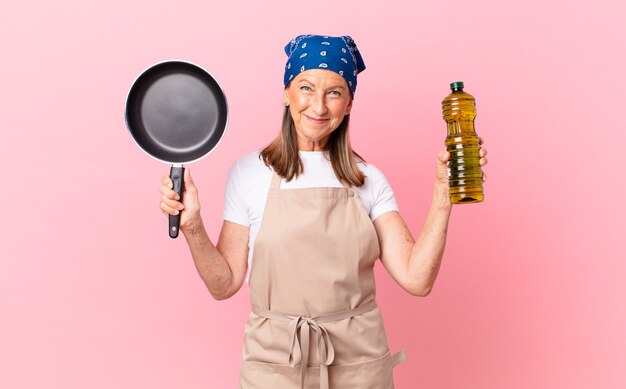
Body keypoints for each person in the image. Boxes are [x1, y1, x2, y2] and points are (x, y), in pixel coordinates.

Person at [159, 34, 488, 389]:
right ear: (286, 93)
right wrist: (192, 227)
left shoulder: (368, 179)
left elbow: (417, 278)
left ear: (349, 104)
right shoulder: (249, 173)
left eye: (334, 92)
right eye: (306, 87)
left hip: (359, 364)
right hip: (275, 365)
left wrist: (443, 195)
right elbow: (224, 285)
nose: (318, 106)